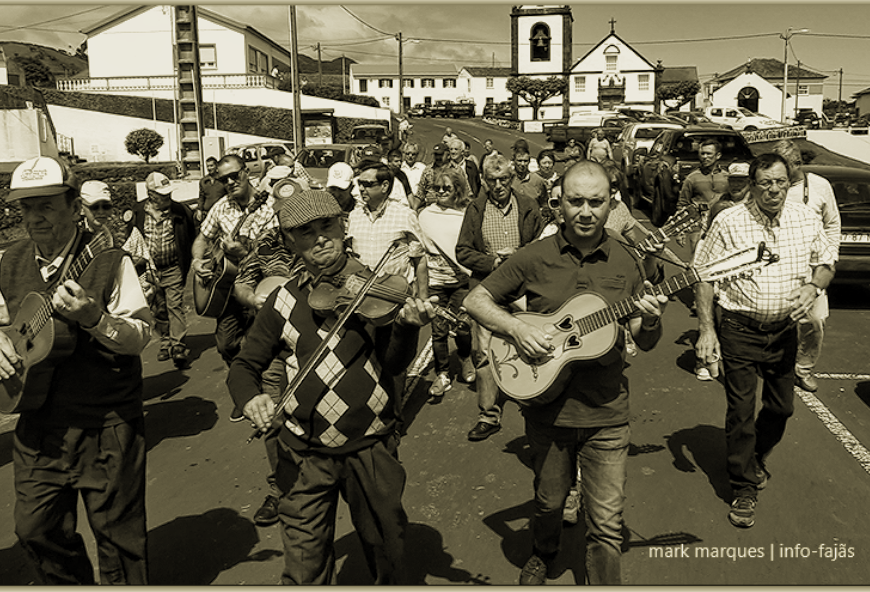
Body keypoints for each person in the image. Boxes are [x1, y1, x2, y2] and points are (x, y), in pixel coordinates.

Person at [462, 161, 668, 585]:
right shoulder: (534, 257)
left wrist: (649, 320)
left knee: (607, 523)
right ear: (559, 204)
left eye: (596, 202)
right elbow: (476, 301)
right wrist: (517, 328)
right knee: (549, 502)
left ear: (612, 204)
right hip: (547, 411)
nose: (586, 211)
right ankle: (544, 551)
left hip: (608, 411)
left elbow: (643, 340)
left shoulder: (629, 261)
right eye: (576, 201)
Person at [226, 190, 436, 585]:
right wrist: (251, 397)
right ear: (289, 240)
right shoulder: (282, 300)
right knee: (304, 568)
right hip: (303, 453)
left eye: (327, 226)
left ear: (343, 227)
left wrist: (407, 327)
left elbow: (393, 363)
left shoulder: (376, 288)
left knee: (387, 551)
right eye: (306, 232)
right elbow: (244, 364)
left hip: (371, 447)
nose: (320, 238)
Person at [0, 156, 152, 584]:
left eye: (46, 204)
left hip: (106, 422)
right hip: (37, 425)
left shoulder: (108, 256)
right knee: (34, 529)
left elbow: (140, 335)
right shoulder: (8, 261)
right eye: (26, 207)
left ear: (73, 205)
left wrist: (95, 320)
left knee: (119, 541)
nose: (35, 217)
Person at [694, 153, 836, 529]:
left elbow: (826, 260)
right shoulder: (729, 221)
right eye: (765, 184)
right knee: (741, 412)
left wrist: (814, 284)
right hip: (739, 328)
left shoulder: (806, 219)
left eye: (780, 183)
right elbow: (704, 276)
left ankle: (755, 454)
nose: (773, 190)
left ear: (789, 183)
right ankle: (743, 487)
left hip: (784, 331)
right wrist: (707, 330)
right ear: (752, 186)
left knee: (782, 408)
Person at [456, 154, 543, 442]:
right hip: (487, 289)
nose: (498, 185)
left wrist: (520, 256)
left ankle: (534, 402)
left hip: (524, 288)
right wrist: (492, 263)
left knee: (531, 344)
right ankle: (488, 415)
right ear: (483, 181)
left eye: (503, 179)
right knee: (483, 353)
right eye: (491, 180)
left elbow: (544, 245)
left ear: (512, 178)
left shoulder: (529, 206)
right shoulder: (475, 209)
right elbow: (463, 251)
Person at [191, 154, 278, 375]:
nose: (229, 183)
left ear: (246, 172)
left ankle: (253, 388)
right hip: (227, 290)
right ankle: (242, 372)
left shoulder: (268, 208)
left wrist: (245, 253)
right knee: (226, 344)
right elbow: (202, 238)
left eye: (234, 176)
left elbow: (277, 256)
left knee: (263, 343)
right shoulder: (221, 207)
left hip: (258, 287)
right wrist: (198, 260)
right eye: (223, 180)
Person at [772, 139, 841, 392]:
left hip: (813, 267)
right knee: (777, 318)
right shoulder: (773, 186)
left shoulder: (820, 186)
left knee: (815, 321)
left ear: (797, 164)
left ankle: (803, 368)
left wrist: (830, 256)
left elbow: (832, 224)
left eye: (786, 169)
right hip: (779, 264)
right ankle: (776, 366)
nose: (781, 176)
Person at [410, 167, 475, 401]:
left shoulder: (467, 214)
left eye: (446, 188)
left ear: (457, 189)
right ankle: (443, 374)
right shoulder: (425, 215)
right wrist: (420, 287)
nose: (440, 191)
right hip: (436, 282)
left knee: (462, 326)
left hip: (460, 281)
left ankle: (466, 359)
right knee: (438, 332)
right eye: (436, 188)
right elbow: (419, 252)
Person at [133, 172, 196, 366]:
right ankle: (165, 341)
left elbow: (191, 235)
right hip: (150, 270)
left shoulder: (180, 211)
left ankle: (178, 345)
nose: (167, 198)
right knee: (157, 307)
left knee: (174, 305)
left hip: (173, 267)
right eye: (162, 195)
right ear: (150, 194)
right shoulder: (138, 211)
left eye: (168, 194)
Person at [347, 161, 424, 288]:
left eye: (367, 184)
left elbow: (419, 259)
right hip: (361, 291)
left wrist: (422, 296)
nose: (361, 189)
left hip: (397, 291)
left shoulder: (405, 215)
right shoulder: (354, 216)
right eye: (360, 183)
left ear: (384, 186)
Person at [674, 138, 728, 254]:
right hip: (697, 227)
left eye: (708, 154)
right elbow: (683, 205)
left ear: (718, 155)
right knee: (697, 259)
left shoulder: (726, 177)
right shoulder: (692, 178)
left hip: (721, 226)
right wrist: (680, 230)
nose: (704, 157)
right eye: (702, 153)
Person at [512, 147, 549, 222]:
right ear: (514, 161)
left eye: (525, 161)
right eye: (519, 161)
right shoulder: (507, 179)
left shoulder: (538, 180)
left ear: (529, 162)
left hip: (532, 221)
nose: (522, 164)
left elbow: (544, 202)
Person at [414, 142, 449, 208]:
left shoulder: (456, 170)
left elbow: (465, 193)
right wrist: (414, 210)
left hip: (449, 208)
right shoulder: (428, 170)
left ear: (448, 155)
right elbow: (420, 193)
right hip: (430, 207)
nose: (438, 157)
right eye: (436, 155)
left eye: (441, 155)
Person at [197, 156, 226, 223]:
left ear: (216, 166)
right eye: (207, 166)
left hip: (220, 213)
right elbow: (201, 197)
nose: (209, 168)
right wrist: (199, 210)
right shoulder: (203, 181)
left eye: (211, 166)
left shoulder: (223, 179)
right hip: (207, 213)